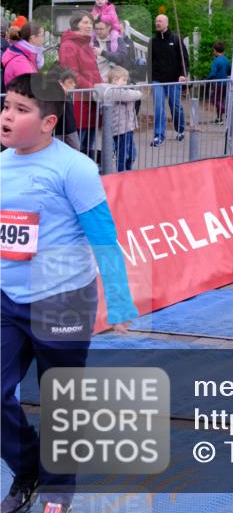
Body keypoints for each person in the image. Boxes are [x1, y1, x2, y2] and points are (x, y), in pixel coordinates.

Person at [0, 73, 137, 513]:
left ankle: (59, 486)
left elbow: (103, 235)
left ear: (48, 123)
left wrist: (119, 300)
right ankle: (27, 467)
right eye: (6, 105)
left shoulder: (75, 168)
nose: (7, 116)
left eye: (21, 110)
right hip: (8, 298)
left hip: (63, 298)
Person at [58, 12, 102, 160]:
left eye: (90, 22)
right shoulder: (69, 45)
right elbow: (72, 75)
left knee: (88, 147)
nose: (89, 25)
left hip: (90, 101)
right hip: (79, 103)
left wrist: (100, 86)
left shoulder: (86, 44)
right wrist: (94, 88)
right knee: (78, 149)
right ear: (76, 24)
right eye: (85, 22)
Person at [147, 13, 189, 147]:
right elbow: (149, 61)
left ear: (167, 23)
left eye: (160, 21)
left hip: (173, 79)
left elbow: (184, 59)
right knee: (158, 106)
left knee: (175, 106)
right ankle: (159, 135)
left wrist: (183, 74)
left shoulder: (176, 39)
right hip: (158, 79)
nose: (157, 23)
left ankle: (180, 129)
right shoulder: (152, 41)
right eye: (156, 21)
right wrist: (150, 77)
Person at [95, 66, 142, 172]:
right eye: (124, 80)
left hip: (128, 127)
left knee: (131, 153)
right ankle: (122, 173)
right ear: (115, 80)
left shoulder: (121, 90)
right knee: (123, 155)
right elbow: (133, 95)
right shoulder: (113, 92)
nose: (126, 83)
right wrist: (139, 93)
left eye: (126, 80)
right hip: (120, 129)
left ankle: (127, 171)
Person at [1, 21, 45, 86]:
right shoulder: (20, 61)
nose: (44, 39)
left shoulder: (26, 55)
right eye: (42, 35)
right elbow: (32, 88)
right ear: (33, 38)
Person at [47, 66, 80, 151]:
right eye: (70, 82)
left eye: (74, 83)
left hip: (71, 129)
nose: (73, 85)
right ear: (61, 83)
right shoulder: (55, 95)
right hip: (58, 130)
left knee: (76, 149)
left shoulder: (70, 96)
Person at [207, 41, 230, 123]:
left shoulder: (216, 61)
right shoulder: (226, 60)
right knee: (220, 100)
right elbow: (229, 71)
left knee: (215, 100)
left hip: (217, 84)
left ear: (215, 51)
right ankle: (219, 119)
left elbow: (213, 73)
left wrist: (208, 79)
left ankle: (225, 110)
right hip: (225, 83)